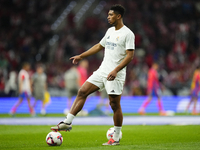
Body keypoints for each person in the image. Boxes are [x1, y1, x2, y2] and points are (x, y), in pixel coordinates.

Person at [51, 4, 135, 146]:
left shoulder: (128, 34)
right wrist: (81, 56)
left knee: (114, 105)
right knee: (82, 91)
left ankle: (115, 136)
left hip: (115, 74)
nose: (108, 17)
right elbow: (98, 46)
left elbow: (130, 56)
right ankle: (67, 122)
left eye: (111, 15)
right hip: (102, 71)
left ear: (118, 16)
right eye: (108, 15)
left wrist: (116, 70)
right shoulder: (109, 31)